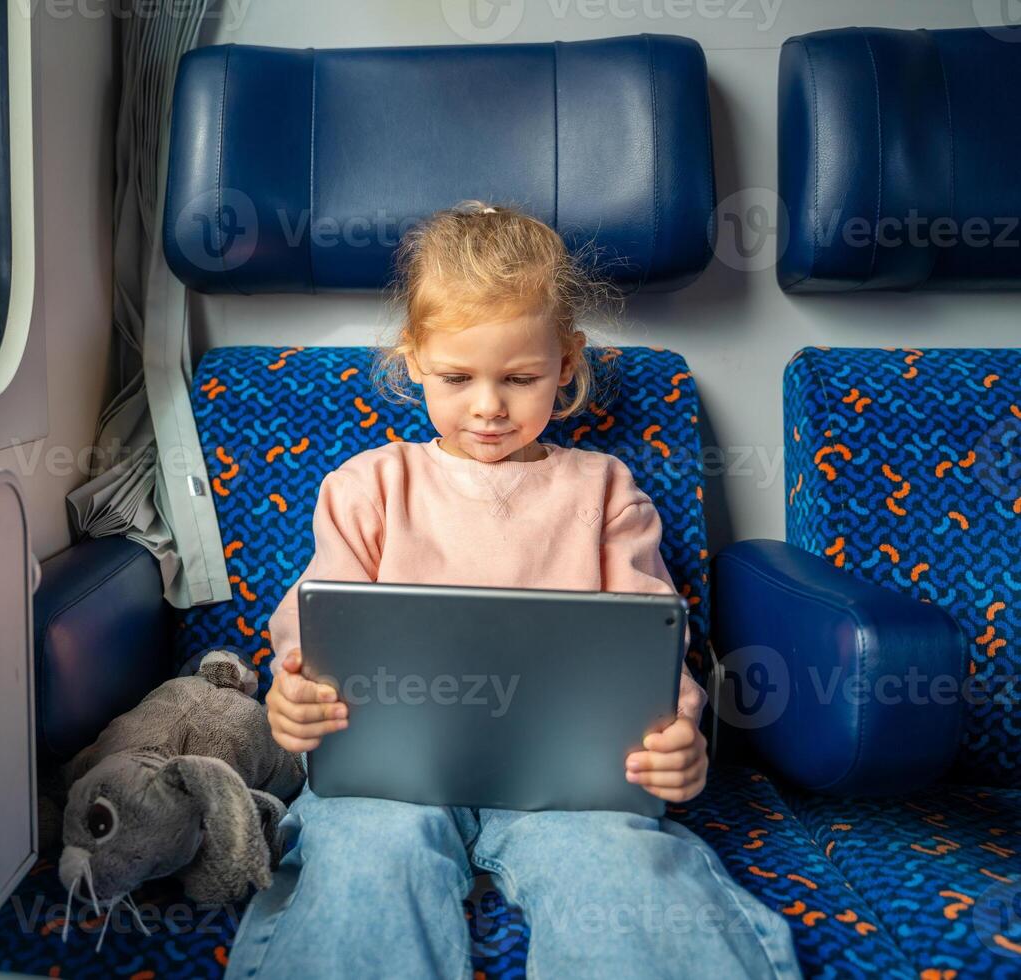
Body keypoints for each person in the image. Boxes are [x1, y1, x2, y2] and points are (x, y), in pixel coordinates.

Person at [223, 201, 802, 980]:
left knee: (621, 877)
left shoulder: (605, 491)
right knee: (366, 859)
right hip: (389, 781)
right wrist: (294, 694)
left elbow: (652, 649)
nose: (488, 406)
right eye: (457, 377)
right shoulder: (368, 488)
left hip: (569, 787)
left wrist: (678, 737)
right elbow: (314, 627)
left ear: (566, 363)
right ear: (415, 357)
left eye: (520, 378)